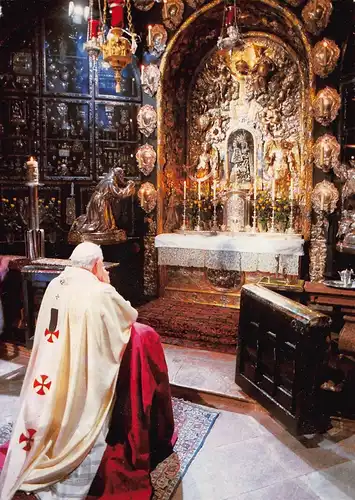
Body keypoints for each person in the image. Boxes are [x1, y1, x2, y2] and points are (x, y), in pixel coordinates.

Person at [0, 242, 175, 500]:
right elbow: (129, 316)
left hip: (52, 367)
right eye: (102, 266)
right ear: (96, 264)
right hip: (80, 370)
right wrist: (107, 286)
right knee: (81, 413)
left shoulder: (55, 285)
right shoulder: (99, 291)